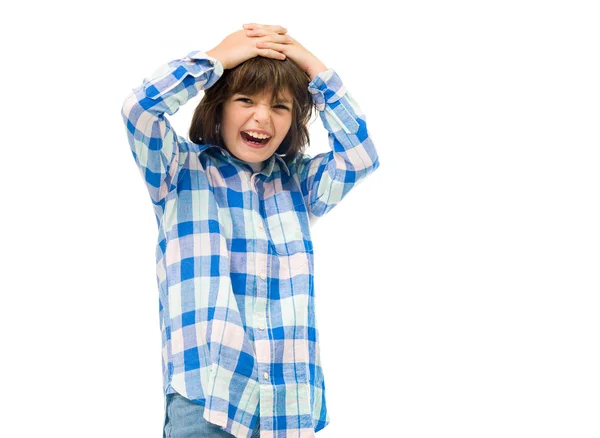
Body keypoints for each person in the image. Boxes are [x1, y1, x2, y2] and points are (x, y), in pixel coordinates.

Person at [120, 22, 380, 438]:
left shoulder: (299, 183)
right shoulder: (177, 170)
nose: (262, 117)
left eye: (280, 107)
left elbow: (360, 156)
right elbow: (140, 109)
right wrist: (215, 59)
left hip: (287, 403)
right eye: (245, 100)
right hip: (208, 400)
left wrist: (310, 66)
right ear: (219, 106)